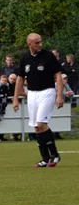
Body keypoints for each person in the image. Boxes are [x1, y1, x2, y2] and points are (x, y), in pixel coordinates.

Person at [12, 33, 65, 167]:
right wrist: (15, 99)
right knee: (37, 127)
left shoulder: (48, 56)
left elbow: (58, 76)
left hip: (47, 91)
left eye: (41, 42)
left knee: (41, 123)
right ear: (29, 44)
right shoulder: (25, 58)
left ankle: (54, 154)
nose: (40, 44)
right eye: (37, 43)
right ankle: (45, 158)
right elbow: (20, 79)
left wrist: (59, 95)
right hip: (32, 93)